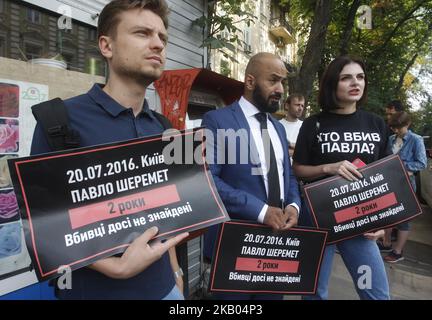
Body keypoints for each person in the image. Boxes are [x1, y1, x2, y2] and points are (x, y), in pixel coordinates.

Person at [30, 0, 189, 300]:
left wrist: (175, 271)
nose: (157, 44)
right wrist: (115, 268)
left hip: (166, 291)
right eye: (142, 33)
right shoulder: (59, 122)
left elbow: (165, 216)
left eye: (162, 37)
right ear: (107, 46)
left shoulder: (163, 127)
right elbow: (41, 228)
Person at [202, 52, 301, 300]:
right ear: (250, 82)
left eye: (283, 83)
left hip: (276, 245)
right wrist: (261, 211)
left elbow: (287, 176)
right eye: (274, 80)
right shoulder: (216, 121)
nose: (280, 89)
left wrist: (293, 205)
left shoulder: (278, 127)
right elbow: (207, 179)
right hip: (234, 247)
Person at [292, 55, 390, 300]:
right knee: (314, 293)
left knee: (375, 293)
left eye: (360, 77)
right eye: (346, 78)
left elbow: (387, 176)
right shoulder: (314, 124)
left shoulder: (376, 124)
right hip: (318, 219)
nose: (355, 82)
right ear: (332, 84)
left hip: (360, 221)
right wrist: (329, 168)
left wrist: (383, 223)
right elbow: (298, 169)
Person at [380, 111, 427, 263]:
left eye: (399, 128)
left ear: (407, 124)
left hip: (406, 184)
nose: (396, 130)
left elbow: (422, 163)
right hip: (390, 181)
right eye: (394, 127)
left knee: (402, 218)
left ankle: (398, 251)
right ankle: (386, 243)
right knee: (387, 213)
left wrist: (400, 166)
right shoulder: (391, 138)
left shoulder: (416, 140)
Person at [279, 93, 305, 160]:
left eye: (302, 106)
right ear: (287, 106)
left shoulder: (305, 126)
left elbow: (309, 149)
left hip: (300, 168)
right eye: (297, 105)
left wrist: (291, 147)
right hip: (281, 168)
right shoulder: (278, 125)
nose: (300, 108)